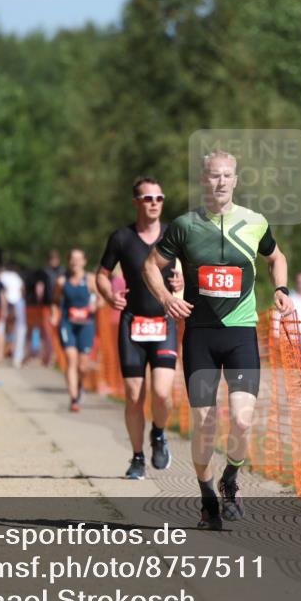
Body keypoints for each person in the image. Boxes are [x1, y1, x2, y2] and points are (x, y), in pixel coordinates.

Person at [143, 150, 294, 530]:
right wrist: (166, 299)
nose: (221, 182)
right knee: (205, 425)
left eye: (227, 175)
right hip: (200, 336)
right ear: (203, 180)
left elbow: (277, 258)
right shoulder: (184, 226)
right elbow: (150, 265)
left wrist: (282, 289)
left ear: (236, 180)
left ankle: (230, 478)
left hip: (241, 332)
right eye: (214, 176)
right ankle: (208, 497)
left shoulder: (255, 222)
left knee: (242, 421)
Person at [97, 176, 185, 480]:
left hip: (163, 322)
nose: (154, 204)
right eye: (148, 199)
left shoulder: (173, 235)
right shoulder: (121, 238)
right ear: (136, 203)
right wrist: (110, 295)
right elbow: (102, 274)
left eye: (159, 199)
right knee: (134, 395)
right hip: (132, 323)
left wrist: (181, 282)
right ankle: (137, 458)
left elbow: (187, 269)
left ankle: (159, 434)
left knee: (162, 394)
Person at [56, 248, 98, 412]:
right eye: (72, 259)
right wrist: (54, 314)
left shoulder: (90, 280)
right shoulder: (61, 281)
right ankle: (74, 398)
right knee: (71, 359)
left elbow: (102, 299)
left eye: (78, 259)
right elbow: (55, 300)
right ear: (69, 261)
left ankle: (80, 386)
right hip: (68, 324)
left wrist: (95, 305)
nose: (75, 262)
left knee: (83, 366)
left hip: (86, 325)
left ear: (84, 262)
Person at [26, 251, 63, 367]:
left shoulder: (44, 272)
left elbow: (39, 289)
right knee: (51, 332)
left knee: (48, 332)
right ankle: (50, 357)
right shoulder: (62, 272)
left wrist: (38, 301)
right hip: (53, 306)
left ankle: (49, 357)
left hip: (50, 306)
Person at [0, 263, 27, 368]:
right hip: (16, 301)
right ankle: (15, 355)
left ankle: (1, 353)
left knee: (3, 328)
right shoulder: (16, 277)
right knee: (18, 329)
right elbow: (22, 289)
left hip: (9, 301)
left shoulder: (3, 276)